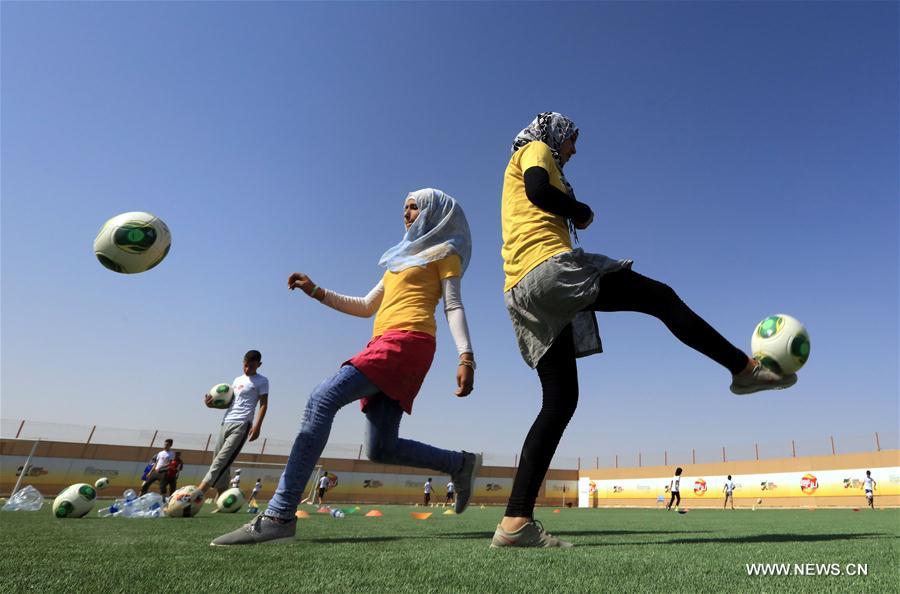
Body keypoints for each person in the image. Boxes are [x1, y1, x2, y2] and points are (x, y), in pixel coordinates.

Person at [490, 112, 798, 549]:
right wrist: (582, 210)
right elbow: (540, 191)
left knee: (559, 402)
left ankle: (515, 522)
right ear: (555, 135)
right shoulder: (535, 150)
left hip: (519, 292)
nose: (574, 149)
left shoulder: (515, 168)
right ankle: (743, 368)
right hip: (548, 271)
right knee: (661, 297)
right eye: (572, 140)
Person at [212, 189, 482, 546]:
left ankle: (279, 514)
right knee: (380, 448)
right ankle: (460, 464)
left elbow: (453, 305)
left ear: (436, 212)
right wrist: (317, 291)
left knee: (321, 398)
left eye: (414, 207)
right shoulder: (398, 261)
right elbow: (367, 306)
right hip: (384, 342)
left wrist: (466, 356)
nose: (405, 213)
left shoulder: (444, 254)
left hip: (408, 343)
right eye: (403, 207)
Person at [197, 351, 269, 499]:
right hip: (226, 422)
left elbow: (263, 404)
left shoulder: (262, 381)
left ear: (259, 365)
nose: (248, 369)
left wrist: (257, 426)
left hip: (242, 424)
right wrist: (212, 406)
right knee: (218, 458)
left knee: (221, 461)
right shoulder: (237, 380)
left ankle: (197, 495)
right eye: (246, 365)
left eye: (252, 366)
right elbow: (230, 404)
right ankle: (222, 497)